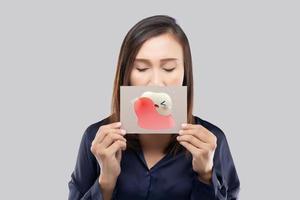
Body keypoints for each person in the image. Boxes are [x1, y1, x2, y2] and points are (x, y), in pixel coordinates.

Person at [68, 15, 240, 200]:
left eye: (169, 68)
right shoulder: (96, 139)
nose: (156, 83)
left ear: (185, 73)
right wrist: (106, 181)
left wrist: (206, 175)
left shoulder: (213, 141)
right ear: (126, 74)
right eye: (141, 68)